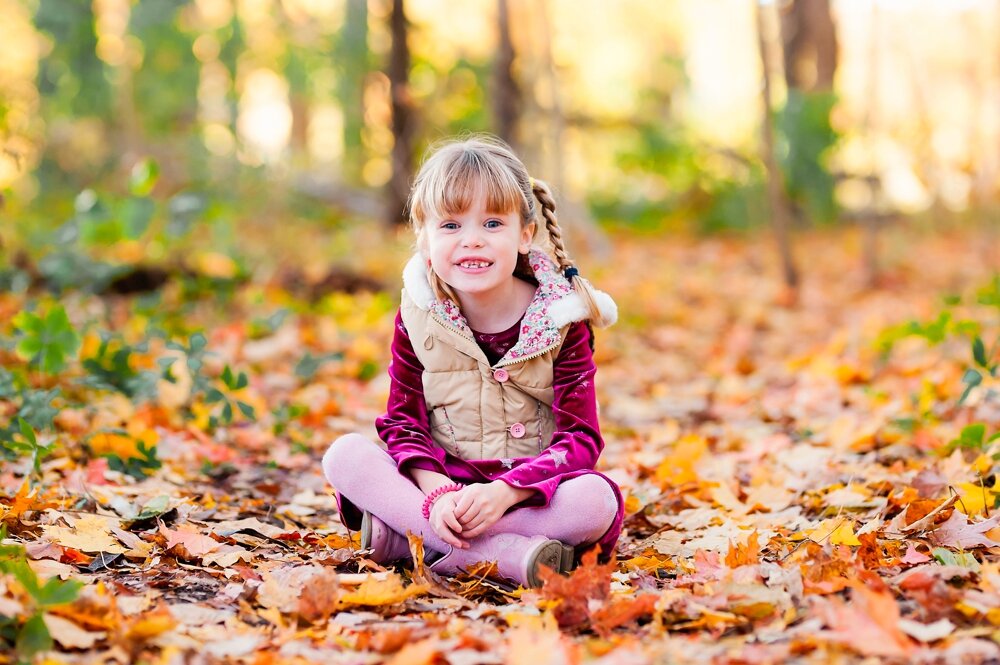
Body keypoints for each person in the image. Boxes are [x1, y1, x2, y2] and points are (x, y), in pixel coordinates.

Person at [322, 135, 623, 589]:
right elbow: (403, 424)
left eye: (491, 223)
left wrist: (505, 492)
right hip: (436, 489)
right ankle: (498, 554)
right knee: (344, 455)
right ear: (424, 240)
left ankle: (411, 543)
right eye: (450, 226)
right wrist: (438, 493)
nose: (472, 242)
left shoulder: (563, 320)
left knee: (596, 500)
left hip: (528, 495)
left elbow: (580, 438)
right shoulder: (418, 317)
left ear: (524, 235)